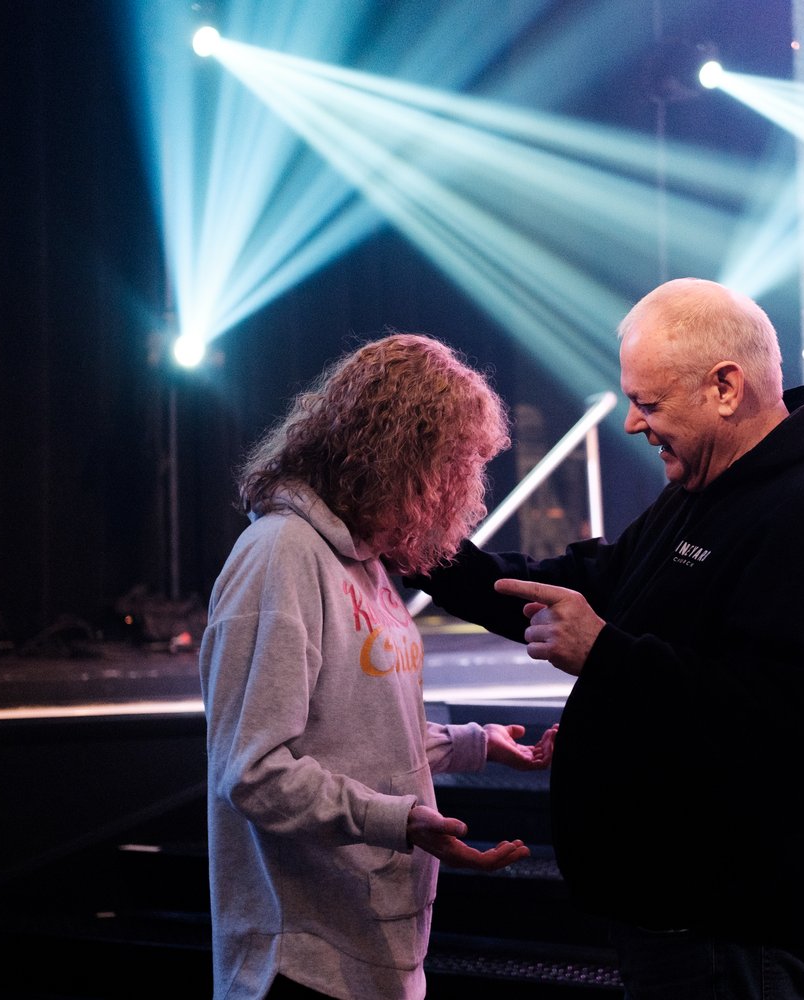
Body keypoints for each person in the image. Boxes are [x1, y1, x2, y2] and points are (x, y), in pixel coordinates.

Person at [406, 278, 804, 999]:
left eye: (649, 403)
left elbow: (783, 730)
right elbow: (573, 585)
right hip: (679, 928)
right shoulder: (702, 497)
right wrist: (421, 544)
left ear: (725, 387)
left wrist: (606, 655)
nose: (635, 425)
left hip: (733, 937)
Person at [199, 333, 558, 1000]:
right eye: (455, 467)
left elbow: (354, 733)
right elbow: (254, 773)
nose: (465, 492)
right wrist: (399, 820)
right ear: (401, 456)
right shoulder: (280, 555)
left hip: (379, 951)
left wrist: (478, 745)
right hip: (301, 961)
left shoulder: (363, 561)